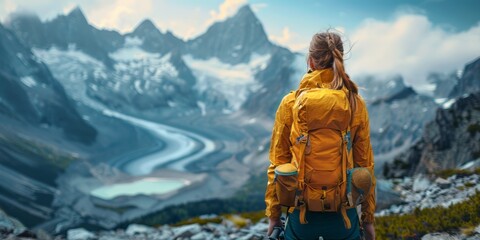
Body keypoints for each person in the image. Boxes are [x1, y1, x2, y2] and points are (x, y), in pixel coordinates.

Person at [265, 31, 376, 240]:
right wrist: (368, 219)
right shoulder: (355, 103)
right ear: (340, 59)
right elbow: (365, 165)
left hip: (301, 219)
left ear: (310, 60)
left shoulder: (290, 102)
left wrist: (274, 216)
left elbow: (277, 164)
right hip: (345, 219)